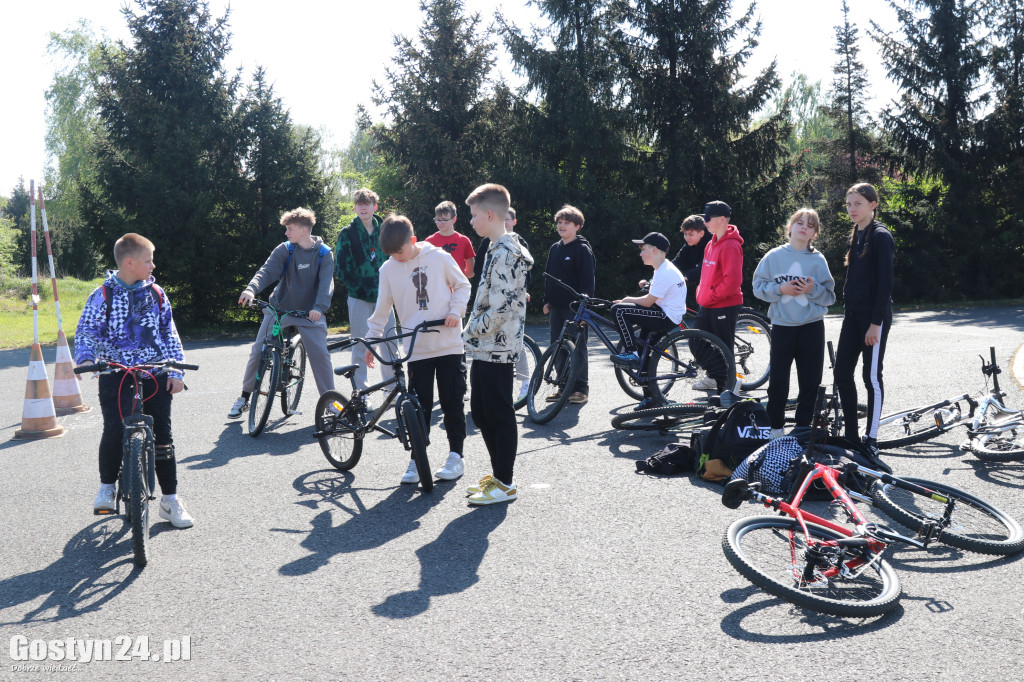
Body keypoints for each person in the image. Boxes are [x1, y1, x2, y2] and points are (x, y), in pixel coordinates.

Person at [74, 233, 194, 528]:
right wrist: (88, 359)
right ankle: (107, 487)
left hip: (155, 371)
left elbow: (170, 333)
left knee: (163, 437)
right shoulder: (102, 295)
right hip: (115, 371)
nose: (153, 265)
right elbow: (87, 331)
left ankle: (170, 501)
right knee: (115, 428)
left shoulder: (156, 293)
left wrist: (176, 372)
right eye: (148, 260)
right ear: (130, 263)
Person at [363, 214, 472, 483]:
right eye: (391, 254)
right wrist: (371, 338)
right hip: (417, 349)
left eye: (400, 252)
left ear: (412, 240)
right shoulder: (388, 269)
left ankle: (455, 456)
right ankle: (416, 459)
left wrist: (456, 311)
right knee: (418, 406)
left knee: (451, 402)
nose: (397, 258)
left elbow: (463, 285)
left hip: (448, 344)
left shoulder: (439, 257)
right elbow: (382, 309)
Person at [228, 207, 336, 417]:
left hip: (310, 313)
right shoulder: (285, 249)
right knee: (258, 350)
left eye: (290, 229)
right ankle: (244, 398)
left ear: (304, 230)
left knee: (321, 356)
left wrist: (318, 308)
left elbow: (326, 285)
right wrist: (251, 289)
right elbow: (266, 271)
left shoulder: (324, 254)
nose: (286, 233)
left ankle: (330, 402)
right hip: (279, 310)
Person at [463, 183, 533, 505]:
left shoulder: (506, 251)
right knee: (481, 412)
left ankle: (505, 483)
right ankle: (498, 476)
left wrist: (469, 331)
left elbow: (501, 308)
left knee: (497, 414)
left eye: (474, 215)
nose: (471, 221)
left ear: (490, 215)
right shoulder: (495, 247)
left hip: (496, 345)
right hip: (486, 346)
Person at [752, 208, 836, 438]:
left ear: (814, 234)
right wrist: (780, 289)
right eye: (800, 222)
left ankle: (802, 428)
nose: (804, 227)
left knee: (810, 382)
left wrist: (813, 290)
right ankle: (775, 429)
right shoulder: (774, 256)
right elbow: (757, 288)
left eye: (810, 225)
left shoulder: (818, 260)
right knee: (778, 381)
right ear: (789, 227)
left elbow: (830, 296)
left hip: (811, 327)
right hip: (782, 327)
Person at [833, 182, 895, 450]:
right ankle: (851, 435)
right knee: (841, 372)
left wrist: (875, 324)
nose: (851, 209)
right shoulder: (857, 234)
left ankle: (871, 438)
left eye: (857, 203)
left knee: (871, 378)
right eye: (848, 204)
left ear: (873, 205)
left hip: (873, 319)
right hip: (853, 316)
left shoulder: (881, 236)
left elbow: (885, 285)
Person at [610, 231, 687, 410]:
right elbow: (654, 295)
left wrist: (627, 299)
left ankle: (631, 354)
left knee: (619, 311)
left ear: (655, 250)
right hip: (662, 312)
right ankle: (651, 398)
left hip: (665, 316)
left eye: (643, 249)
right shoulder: (662, 269)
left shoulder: (665, 271)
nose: (640, 253)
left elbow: (647, 301)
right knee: (645, 349)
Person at [335, 188, 397, 393]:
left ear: (375, 206)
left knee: (389, 342)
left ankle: (392, 388)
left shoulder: (387, 230)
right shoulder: (347, 233)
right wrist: (358, 287)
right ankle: (362, 392)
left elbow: (396, 259)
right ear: (355, 207)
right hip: (358, 297)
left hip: (385, 297)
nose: (363, 207)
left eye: (367, 203)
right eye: (359, 204)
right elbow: (341, 268)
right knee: (360, 345)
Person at [474, 207, 533, 401]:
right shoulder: (486, 242)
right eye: (503, 219)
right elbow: (481, 272)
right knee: (486, 342)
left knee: (515, 341)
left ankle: (525, 382)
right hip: (489, 302)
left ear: (514, 222)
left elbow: (525, 273)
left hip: (510, 304)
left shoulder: (517, 243)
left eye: (508, 220)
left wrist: (523, 292)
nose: (505, 223)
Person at [541, 204, 595, 405]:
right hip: (556, 307)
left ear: (577, 226)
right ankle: (563, 387)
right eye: (559, 222)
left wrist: (584, 307)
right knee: (558, 346)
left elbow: (588, 282)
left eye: (567, 223)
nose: (562, 226)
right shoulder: (555, 248)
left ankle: (580, 389)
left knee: (578, 347)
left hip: (576, 308)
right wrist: (546, 301)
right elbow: (549, 277)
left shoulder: (582, 249)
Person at [692, 200, 744, 392]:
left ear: (722, 219)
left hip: (724, 304)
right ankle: (717, 378)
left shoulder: (731, 245)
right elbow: (706, 275)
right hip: (707, 303)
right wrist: (701, 292)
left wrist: (711, 295)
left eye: (708, 218)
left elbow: (732, 281)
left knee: (724, 348)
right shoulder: (710, 244)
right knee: (696, 343)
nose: (704, 221)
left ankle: (729, 385)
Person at [671, 215, 712, 310]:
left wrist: (687, 277)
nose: (687, 238)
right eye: (685, 234)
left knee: (706, 318)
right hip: (705, 286)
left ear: (701, 233)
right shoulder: (689, 244)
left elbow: (705, 266)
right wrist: (655, 278)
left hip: (718, 287)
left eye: (690, 234)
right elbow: (677, 262)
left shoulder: (712, 243)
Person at [426, 200, 476, 278]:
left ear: (454, 219)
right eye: (438, 220)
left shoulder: (463, 240)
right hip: (437, 286)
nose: (440, 223)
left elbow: (470, 268)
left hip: (458, 287)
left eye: (445, 220)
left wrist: (461, 278)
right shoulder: (429, 241)